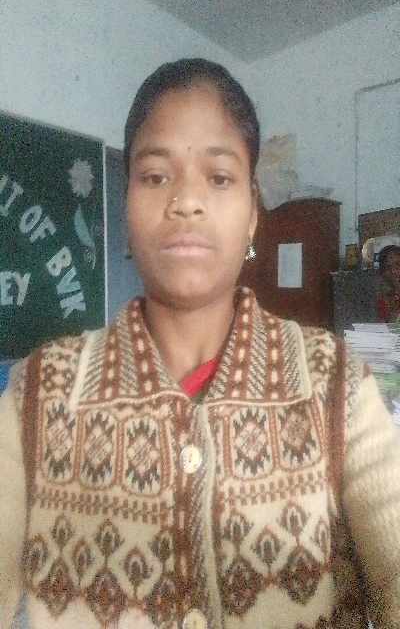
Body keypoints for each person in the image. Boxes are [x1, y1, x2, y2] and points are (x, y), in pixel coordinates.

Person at [1, 58, 400, 629]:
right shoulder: (39, 393)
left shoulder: (334, 382)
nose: (186, 201)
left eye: (219, 177)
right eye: (154, 176)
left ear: (253, 213)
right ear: (126, 204)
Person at [377, 245, 400, 322]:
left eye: (398, 264)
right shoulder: (382, 298)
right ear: (382, 272)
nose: (393, 271)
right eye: (388, 267)